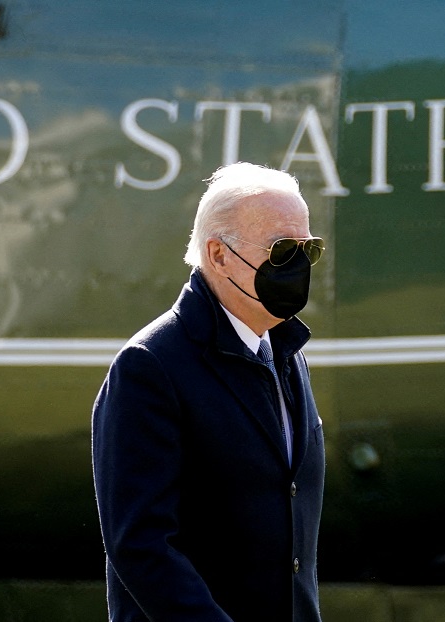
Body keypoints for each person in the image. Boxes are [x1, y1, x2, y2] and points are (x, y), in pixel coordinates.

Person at [91, 161, 326, 622]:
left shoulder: (286, 351)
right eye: (281, 250)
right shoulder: (150, 365)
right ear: (218, 255)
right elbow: (141, 546)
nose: (297, 267)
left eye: (308, 250)